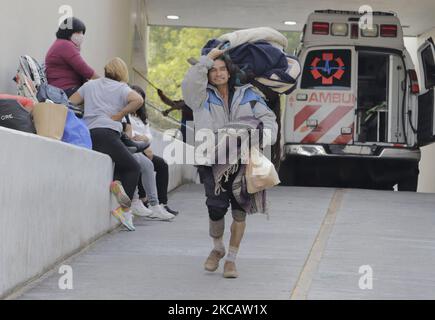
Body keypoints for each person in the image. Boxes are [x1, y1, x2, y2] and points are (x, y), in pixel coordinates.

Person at [182, 48, 278, 278]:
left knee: (239, 211)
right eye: (213, 70)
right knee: (215, 208)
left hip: (243, 159)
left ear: (229, 71)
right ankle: (217, 248)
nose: (218, 74)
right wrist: (207, 59)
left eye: (222, 69)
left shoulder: (249, 94)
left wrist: (261, 139)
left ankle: (231, 260)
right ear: (207, 73)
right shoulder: (200, 96)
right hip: (211, 160)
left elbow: (269, 120)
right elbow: (188, 84)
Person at [69, 57, 142, 231]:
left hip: (89, 134)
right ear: (122, 72)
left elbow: (70, 102)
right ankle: (124, 210)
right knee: (134, 167)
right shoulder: (121, 88)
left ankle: (117, 182)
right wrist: (119, 114)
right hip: (107, 133)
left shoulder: (90, 85)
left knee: (120, 160)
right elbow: (138, 100)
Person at [129, 85, 180, 216]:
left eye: (140, 97)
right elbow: (129, 133)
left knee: (162, 164)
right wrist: (142, 140)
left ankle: (162, 204)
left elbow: (149, 135)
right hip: (133, 148)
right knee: (142, 163)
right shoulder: (125, 113)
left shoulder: (141, 117)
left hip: (144, 148)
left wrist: (144, 139)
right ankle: (143, 200)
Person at [46, 17, 98, 97]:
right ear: (69, 32)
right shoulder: (65, 45)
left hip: (63, 89)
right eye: (78, 32)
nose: (81, 35)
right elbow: (85, 70)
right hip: (65, 90)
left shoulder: (60, 44)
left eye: (82, 33)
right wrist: (105, 82)